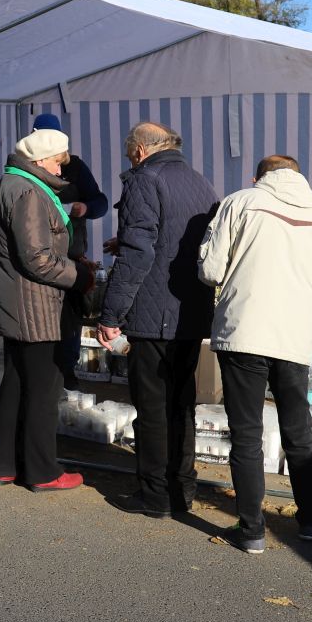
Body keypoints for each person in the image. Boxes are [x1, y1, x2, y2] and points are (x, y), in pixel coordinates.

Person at [197, 154, 312, 553]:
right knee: (299, 433)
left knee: (247, 435)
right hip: (294, 338)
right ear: (300, 176)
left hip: (244, 332)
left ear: (258, 177)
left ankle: (251, 530)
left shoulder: (239, 202)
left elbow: (210, 269)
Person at [96, 122, 218, 518]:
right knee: (181, 403)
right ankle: (182, 489)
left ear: (139, 151)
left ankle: (155, 495)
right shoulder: (199, 181)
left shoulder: (144, 180)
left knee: (152, 407)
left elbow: (138, 253)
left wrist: (111, 313)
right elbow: (181, 239)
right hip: (191, 309)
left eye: (130, 151)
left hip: (154, 313)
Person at [0, 127, 94, 491]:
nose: (61, 170)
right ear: (38, 160)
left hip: (22, 300)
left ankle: (6, 465)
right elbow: (36, 258)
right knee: (43, 388)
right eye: (55, 162)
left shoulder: (15, 184)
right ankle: (42, 471)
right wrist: (79, 276)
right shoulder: (28, 191)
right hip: (34, 303)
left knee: (17, 382)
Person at [30, 113, 109, 388]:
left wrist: (85, 208)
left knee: (69, 323)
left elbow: (100, 201)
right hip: (39, 258)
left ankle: (67, 374)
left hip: (72, 258)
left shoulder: (74, 166)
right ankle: (46, 377)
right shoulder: (28, 168)